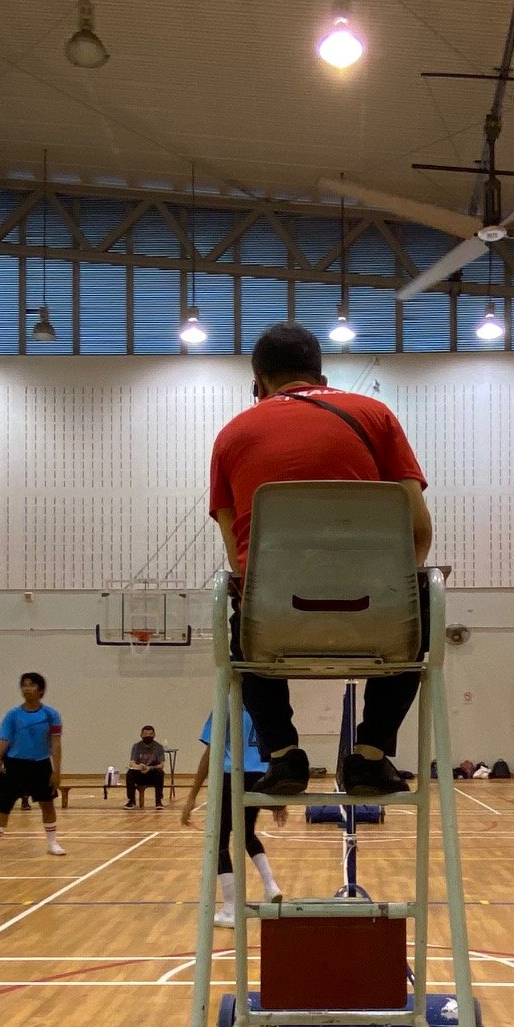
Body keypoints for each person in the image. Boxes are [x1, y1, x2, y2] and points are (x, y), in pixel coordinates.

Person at [209, 322, 432, 798]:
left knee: (239, 617)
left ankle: (283, 755)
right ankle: (371, 755)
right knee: (424, 598)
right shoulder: (376, 416)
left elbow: (238, 556)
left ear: (258, 378)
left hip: (274, 624)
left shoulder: (231, 436)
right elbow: (419, 531)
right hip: (379, 619)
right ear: (321, 372)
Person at [180, 707, 285, 927]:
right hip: (261, 775)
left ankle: (230, 909)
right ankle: (270, 885)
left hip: (233, 774)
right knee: (246, 834)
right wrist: (279, 798)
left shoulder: (227, 704)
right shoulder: (262, 704)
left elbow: (211, 753)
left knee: (219, 840)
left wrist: (192, 795)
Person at [0, 672, 65, 864]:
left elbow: (56, 743)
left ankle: (52, 843)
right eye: (24, 685)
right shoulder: (12, 715)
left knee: (47, 804)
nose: (27, 688)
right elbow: (3, 740)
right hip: (15, 764)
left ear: (41, 690)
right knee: (4, 804)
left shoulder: (51, 715)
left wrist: (57, 770)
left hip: (41, 765)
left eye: (32, 685)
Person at [125, 725, 167, 808]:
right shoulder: (136, 746)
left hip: (152, 774)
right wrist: (139, 766)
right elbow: (132, 763)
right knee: (129, 774)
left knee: (160, 773)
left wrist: (150, 768)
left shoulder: (159, 747)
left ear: (154, 735)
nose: (148, 736)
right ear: (141, 735)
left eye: (150, 734)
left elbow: (161, 764)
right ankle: (131, 801)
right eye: (145, 735)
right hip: (139, 773)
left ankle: (158, 802)